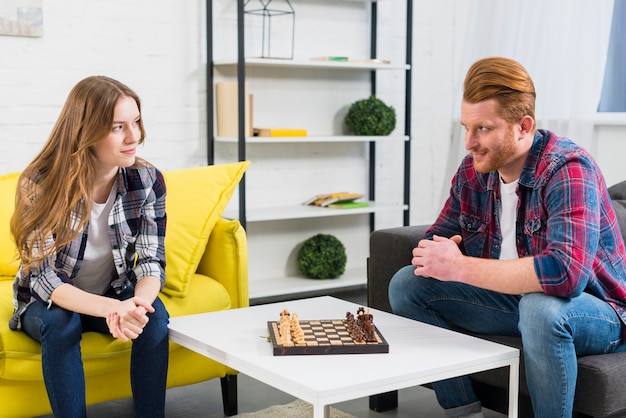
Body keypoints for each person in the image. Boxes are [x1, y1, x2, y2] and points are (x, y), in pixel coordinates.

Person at [388, 57, 626, 418]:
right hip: (514, 301)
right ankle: (465, 411)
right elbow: (438, 241)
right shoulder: (474, 170)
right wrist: (439, 255)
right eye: (466, 126)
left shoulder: (568, 169)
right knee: (406, 285)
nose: (470, 142)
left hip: (597, 312)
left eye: (482, 128)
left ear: (523, 126)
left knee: (540, 308)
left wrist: (461, 266)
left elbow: (565, 276)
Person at [8, 76, 170, 418]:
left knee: (156, 318)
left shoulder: (147, 181)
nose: (134, 137)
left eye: (136, 122)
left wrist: (138, 305)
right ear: (86, 131)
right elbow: (46, 282)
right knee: (62, 321)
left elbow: (152, 261)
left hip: (111, 294)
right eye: (118, 127)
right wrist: (112, 310)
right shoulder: (39, 184)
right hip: (47, 304)